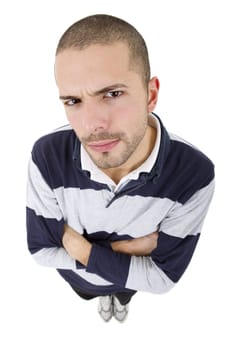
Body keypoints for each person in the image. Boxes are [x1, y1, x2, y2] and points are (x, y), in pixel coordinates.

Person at [26, 14, 215, 323]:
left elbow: (163, 279)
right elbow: (41, 251)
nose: (91, 125)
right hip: (82, 281)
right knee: (91, 291)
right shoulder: (46, 155)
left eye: (112, 94)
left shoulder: (194, 174)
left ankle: (119, 300)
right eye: (73, 101)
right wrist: (132, 248)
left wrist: (81, 248)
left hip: (124, 282)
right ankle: (102, 298)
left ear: (151, 95)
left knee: (124, 290)